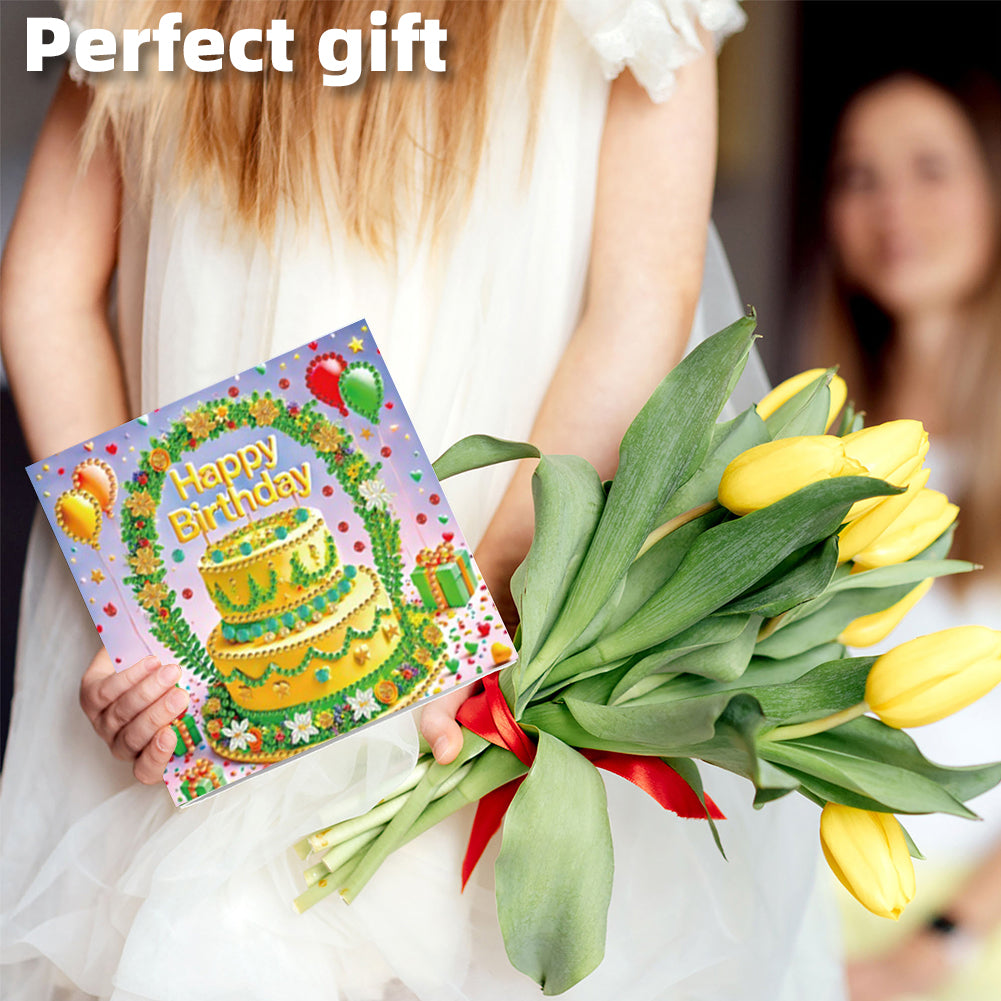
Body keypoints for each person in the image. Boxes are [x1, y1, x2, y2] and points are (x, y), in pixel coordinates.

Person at [1, 3, 837, 999]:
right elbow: (46, 290)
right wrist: (136, 614)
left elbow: (638, 307)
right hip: (218, 662)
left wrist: (488, 606)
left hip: (485, 643)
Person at [809, 71, 1001, 1001]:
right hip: (811, 906)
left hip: (966, 933)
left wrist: (934, 950)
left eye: (930, 168)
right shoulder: (808, 443)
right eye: (859, 176)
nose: (892, 208)